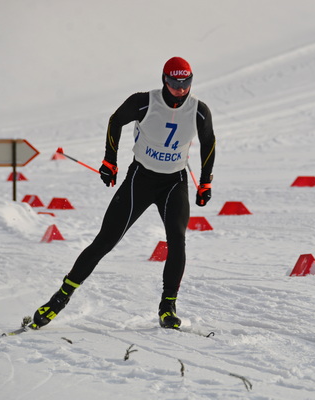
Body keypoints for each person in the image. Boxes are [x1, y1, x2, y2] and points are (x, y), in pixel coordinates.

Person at [31, 57, 216, 330]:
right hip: (140, 179)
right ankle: (60, 298)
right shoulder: (144, 102)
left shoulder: (199, 110)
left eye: (186, 82)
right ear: (164, 80)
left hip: (174, 183)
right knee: (105, 241)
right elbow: (115, 121)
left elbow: (209, 142)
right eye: (175, 83)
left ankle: (168, 308)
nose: (180, 88)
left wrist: (205, 182)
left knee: (177, 241)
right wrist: (109, 161)